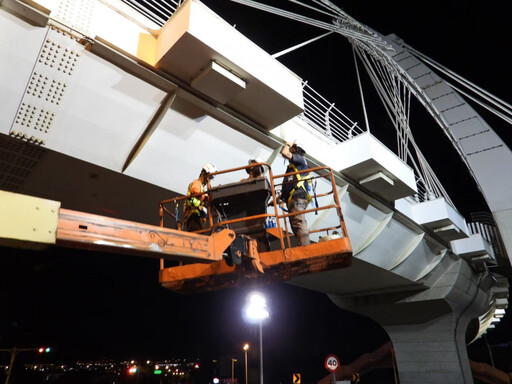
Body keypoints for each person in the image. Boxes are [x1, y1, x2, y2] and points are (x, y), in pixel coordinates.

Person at [280, 140, 311, 246]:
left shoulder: (300, 160)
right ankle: (301, 244)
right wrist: (280, 197)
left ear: (295, 149)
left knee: (298, 222)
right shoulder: (293, 166)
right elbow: (290, 183)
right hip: (293, 198)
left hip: (298, 197)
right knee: (295, 224)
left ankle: (305, 246)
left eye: (291, 148)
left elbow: (284, 153)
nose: (290, 149)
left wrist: (287, 144)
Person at [183, 163, 217, 232]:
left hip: (197, 218)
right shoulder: (197, 183)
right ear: (204, 174)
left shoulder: (201, 186)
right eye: (210, 177)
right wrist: (204, 196)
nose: (209, 180)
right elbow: (194, 190)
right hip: (194, 217)